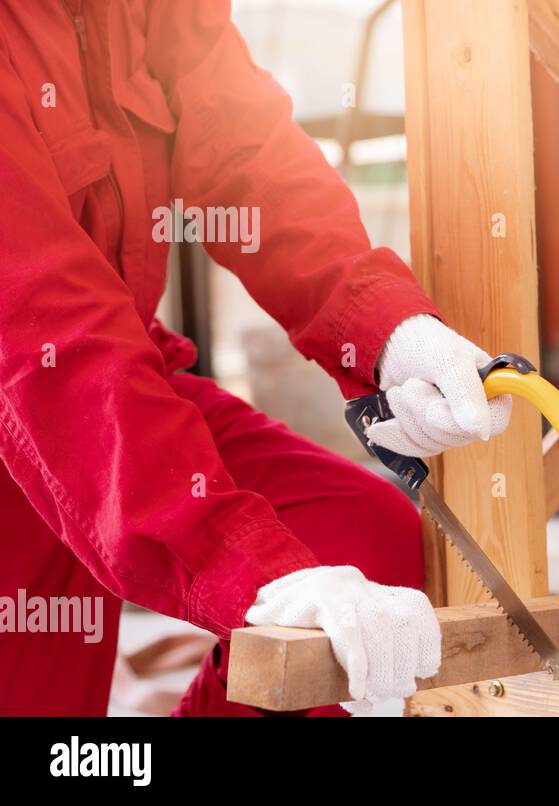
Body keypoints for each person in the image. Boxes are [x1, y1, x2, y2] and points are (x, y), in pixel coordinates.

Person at [0, 1, 507, 715]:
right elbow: (45, 326)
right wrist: (256, 576)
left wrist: (387, 330)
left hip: (118, 394)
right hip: (47, 391)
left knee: (360, 552)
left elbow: (244, 150)